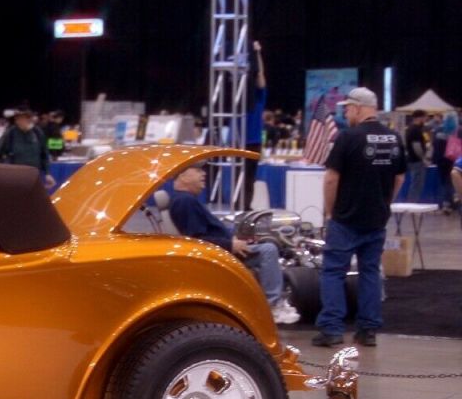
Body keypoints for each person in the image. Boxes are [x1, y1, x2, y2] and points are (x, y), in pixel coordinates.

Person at [314, 86, 406, 347]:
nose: (346, 113)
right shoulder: (393, 138)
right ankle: (368, 330)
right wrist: (384, 201)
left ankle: (332, 329)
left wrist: (331, 212)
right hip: (376, 218)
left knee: (333, 272)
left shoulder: (348, 138)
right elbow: (399, 176)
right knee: (369, 272)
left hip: (346, 218)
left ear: (357, 108)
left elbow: (332, 178)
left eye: (347, 108)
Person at [169, 165, 300, 325]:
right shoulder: (185, 202)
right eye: (197, 171)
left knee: (265, 242)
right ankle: (273, 305)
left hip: (222, 248)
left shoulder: (185, 200)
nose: (204, 174)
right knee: (268, 250)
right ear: (183, 176)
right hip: (219, 254)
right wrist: (231, 245)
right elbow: (197, 240)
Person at [0, 105, 54, 187]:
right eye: (18, 118)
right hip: (15, 176)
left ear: (30, 119)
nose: (21, 120)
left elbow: (44, 155)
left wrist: (47, 174)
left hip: (33, 176)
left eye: (25, 118)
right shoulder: (11, 133)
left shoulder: (37, 132)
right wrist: (1, 172)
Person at [245, 41, 267, 204]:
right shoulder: (235, 103)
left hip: (253, 142)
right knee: (238, 177)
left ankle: (245, 205)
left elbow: (260, 75)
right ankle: (238, 204)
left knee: (249, 178)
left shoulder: (258, 98)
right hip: (237, 143)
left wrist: (257, 54)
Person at [403, 109, 429, 203]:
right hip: (417, 161)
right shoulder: (415, 130)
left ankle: (411, 203)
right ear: (420, 117)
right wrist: (423, 158)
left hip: (412, 159)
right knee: (417, 184)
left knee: (415, 183)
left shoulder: (410, 129)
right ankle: (412, 204)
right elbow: (416, 146)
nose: (426, 120)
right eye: (425, 117)